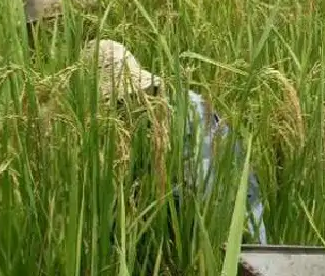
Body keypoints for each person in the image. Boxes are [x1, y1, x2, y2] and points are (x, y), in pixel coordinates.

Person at [82, 39, 267, 245]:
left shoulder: (187, 116)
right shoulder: (147, 118)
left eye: (118, 103)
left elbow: (204, 198)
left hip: (234, 232)